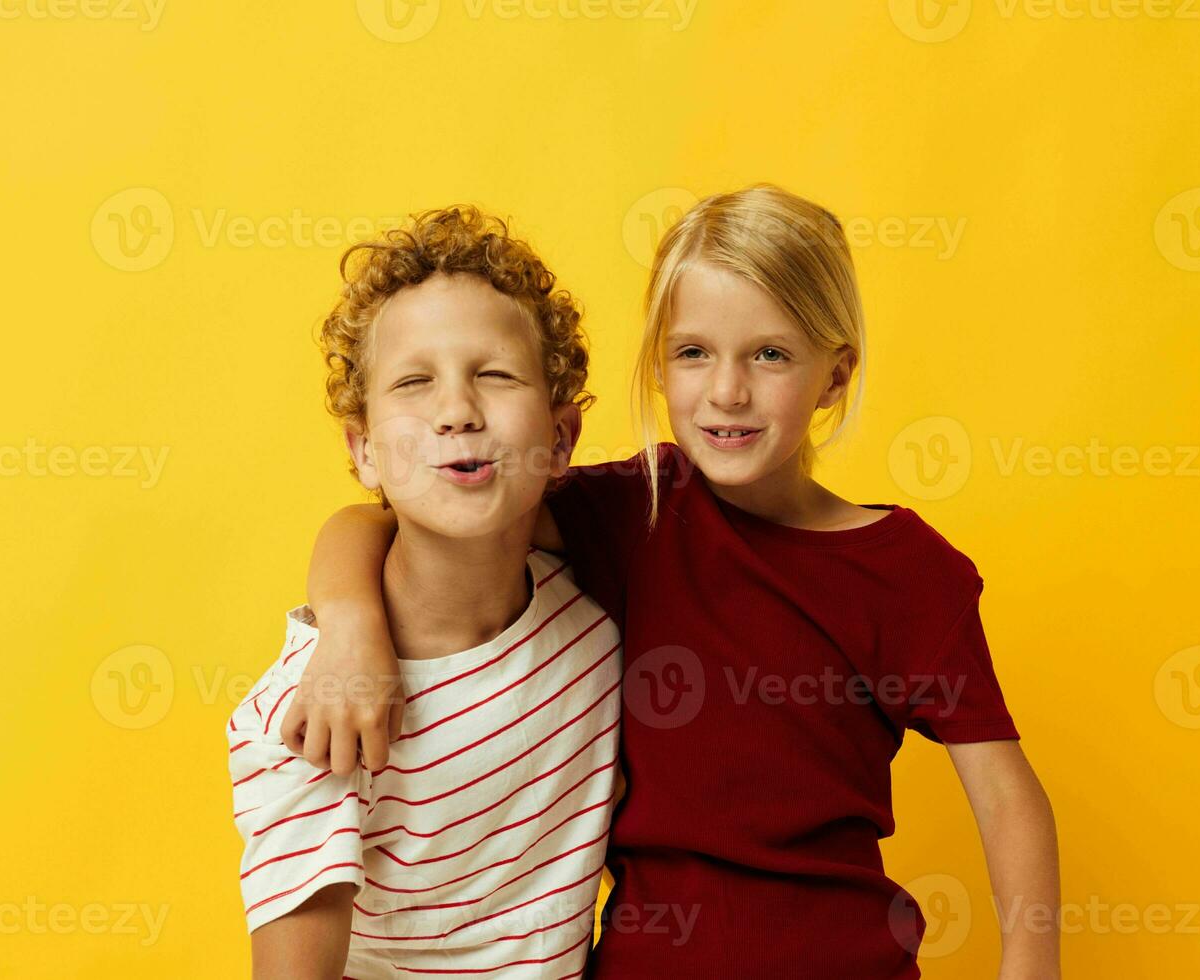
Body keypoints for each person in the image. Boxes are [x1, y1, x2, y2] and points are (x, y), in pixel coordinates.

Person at [288, 185, 1061, 978]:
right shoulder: (637, 513)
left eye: (770, 354)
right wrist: (349, 629)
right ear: (661, 366)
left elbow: (1008, 798)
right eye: (694, 353)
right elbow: (388, 516)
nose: (727, 391)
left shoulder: (908, 573)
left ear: (834, 376)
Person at [226, 206, 621, 978]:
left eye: (496, 375)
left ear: (562, 438)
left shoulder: (596, 601)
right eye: (413, 382)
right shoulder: (320, 718)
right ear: (364, 451)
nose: (456, 412)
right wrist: (344, 626)